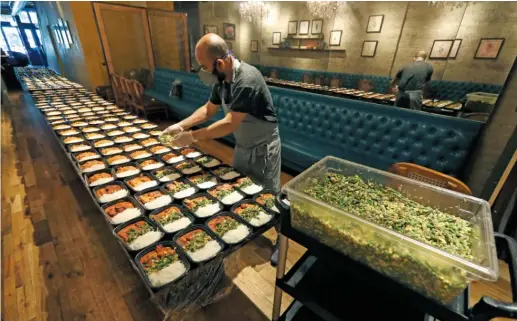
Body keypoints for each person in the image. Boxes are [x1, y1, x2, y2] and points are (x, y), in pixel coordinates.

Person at [162, 33, 282, 264]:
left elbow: (230, 123)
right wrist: (180, 126)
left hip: (264, 146)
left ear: (219, 63)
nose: (203, 72)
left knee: (270, 196)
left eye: (204, 67)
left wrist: (193, 137)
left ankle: (282, 240)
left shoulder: (247, 79)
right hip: (244, 144)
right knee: (237, 189)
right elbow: (208, 110)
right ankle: (249, 227)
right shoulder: (222, 79)